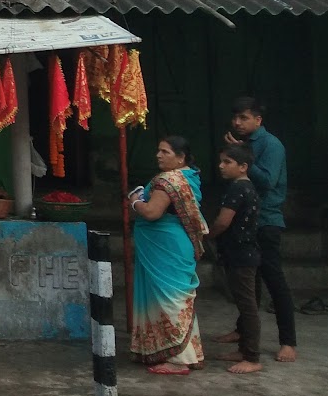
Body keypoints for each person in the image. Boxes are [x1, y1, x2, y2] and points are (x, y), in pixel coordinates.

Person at [219, 98, 297, 363]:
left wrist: (242, 155)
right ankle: (242, 333)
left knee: (274, 281)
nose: (237, 123)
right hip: (245, 224)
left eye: (243, 118)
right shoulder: (242, 144)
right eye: (235, 118)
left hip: (266, 221)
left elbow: (267, 181)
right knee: (247, 282)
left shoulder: (271, 145)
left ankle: (288, 341)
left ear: (258, 120)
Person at [127, 134, 209, 375]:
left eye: (165, 152)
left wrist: (134, 201)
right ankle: (165, 351)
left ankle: (178, 359)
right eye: (159, 151)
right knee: (171, 300)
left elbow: (152, 212)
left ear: (181, 157)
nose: (159, 155)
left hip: (167, 249)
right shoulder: (188, 177)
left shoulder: (170, 180)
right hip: (168, 246)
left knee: (170, 300)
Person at [207, 143, 262, 375]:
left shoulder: (238, 189)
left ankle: (252, 356)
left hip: (241, 254)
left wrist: (205, 236)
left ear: (243, 167)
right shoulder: (246, 187)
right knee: (244, 304)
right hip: (242, 252)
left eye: (227, 162)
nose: (221, 166)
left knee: (248, 306)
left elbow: (223, 221)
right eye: (221, 161)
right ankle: (243, 350)